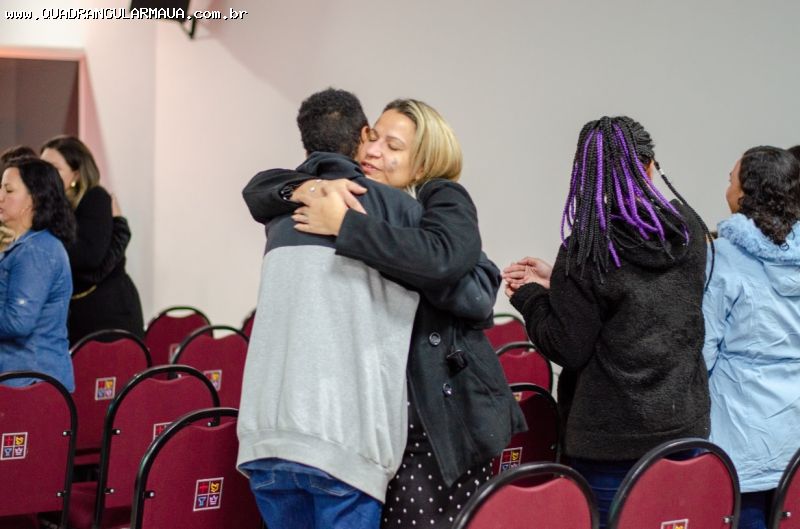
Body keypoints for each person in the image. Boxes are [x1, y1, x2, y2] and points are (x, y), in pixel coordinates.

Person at [243, 98, 525, 528]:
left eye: (392, 146)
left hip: (435, 415)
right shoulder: (346, 196)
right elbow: (260, 187)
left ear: (423, 161)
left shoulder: (437, 198)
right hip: (380, 413)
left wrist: (347, 226)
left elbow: (468, 282)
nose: (374, 151)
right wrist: (304, 188)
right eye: (373, 137)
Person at [503, 116, 710, 528]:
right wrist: (559, 283)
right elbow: (641, 303)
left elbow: (568, 345)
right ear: (650, 167)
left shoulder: (589, 248)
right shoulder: (687, 232)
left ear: (587, 175)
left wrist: (530, 298)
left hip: (610, 442)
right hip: (683, 428)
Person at [237, 88, 425, 529]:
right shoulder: (394, 208)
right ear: (363, 136)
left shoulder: (280, 207)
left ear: (306, 141)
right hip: (343, 442)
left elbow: (257, 187)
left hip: (267, 440)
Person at [702, 146, 800, 529]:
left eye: (731, 180)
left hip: (739, 432)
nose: (727, 188)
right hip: (792, 430)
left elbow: (704, 347)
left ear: (746, 193)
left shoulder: (723, 257)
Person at [40, 136, 143, 344]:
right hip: (75, 314)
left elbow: (88, 258)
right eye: (43, 168)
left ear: (76, 174)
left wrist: (121, 233)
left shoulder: (94, 198)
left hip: (108, 313)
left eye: (55, 168)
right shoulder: (47, 208)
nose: (46, 175)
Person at [0, 157, 76, 391]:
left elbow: (18, 322)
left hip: (30, 383)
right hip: (24, 376)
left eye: (9, 190)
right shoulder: (30, 245)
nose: (0, 197)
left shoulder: (36, 251)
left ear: (34, 198)